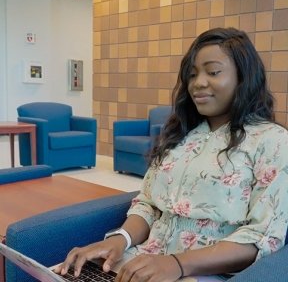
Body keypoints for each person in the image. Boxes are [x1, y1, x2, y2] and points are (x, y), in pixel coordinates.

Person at [55, 27, 288, 281]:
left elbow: (262, 236)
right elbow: (148, 204)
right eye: (192, 74)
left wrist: (176, 264)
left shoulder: (271, 140)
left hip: (205, 272)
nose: (198, 83)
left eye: (213, 72)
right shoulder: (181, 134)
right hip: (143, 260)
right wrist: (120, 240)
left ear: (244, 78)